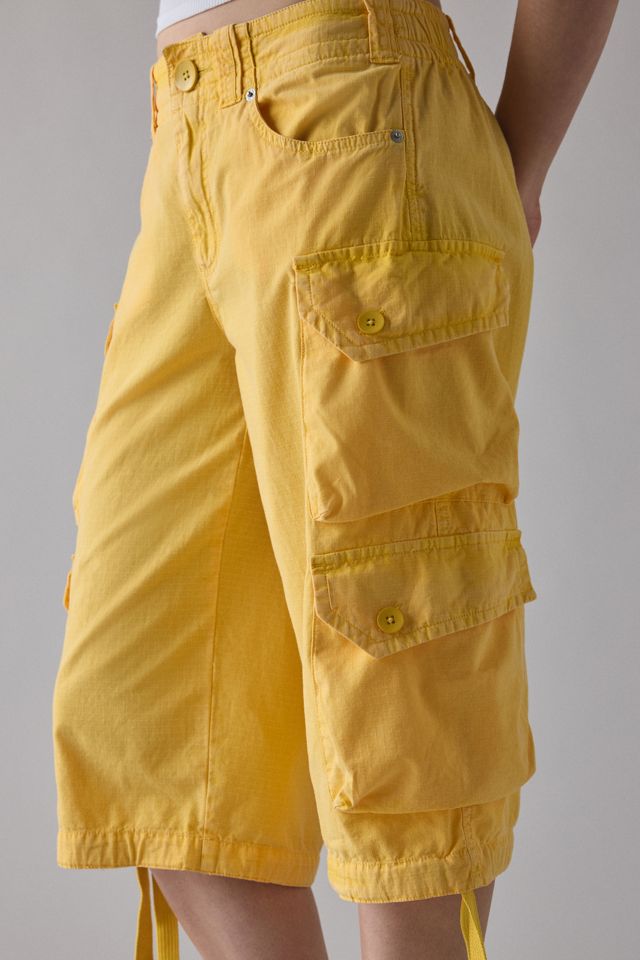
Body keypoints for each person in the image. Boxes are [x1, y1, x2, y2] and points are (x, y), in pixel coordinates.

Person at [51, 0, 619, 958]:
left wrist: (518, 169)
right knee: (161, 755)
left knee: (398, 740)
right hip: (188, 135)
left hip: (358, 105)